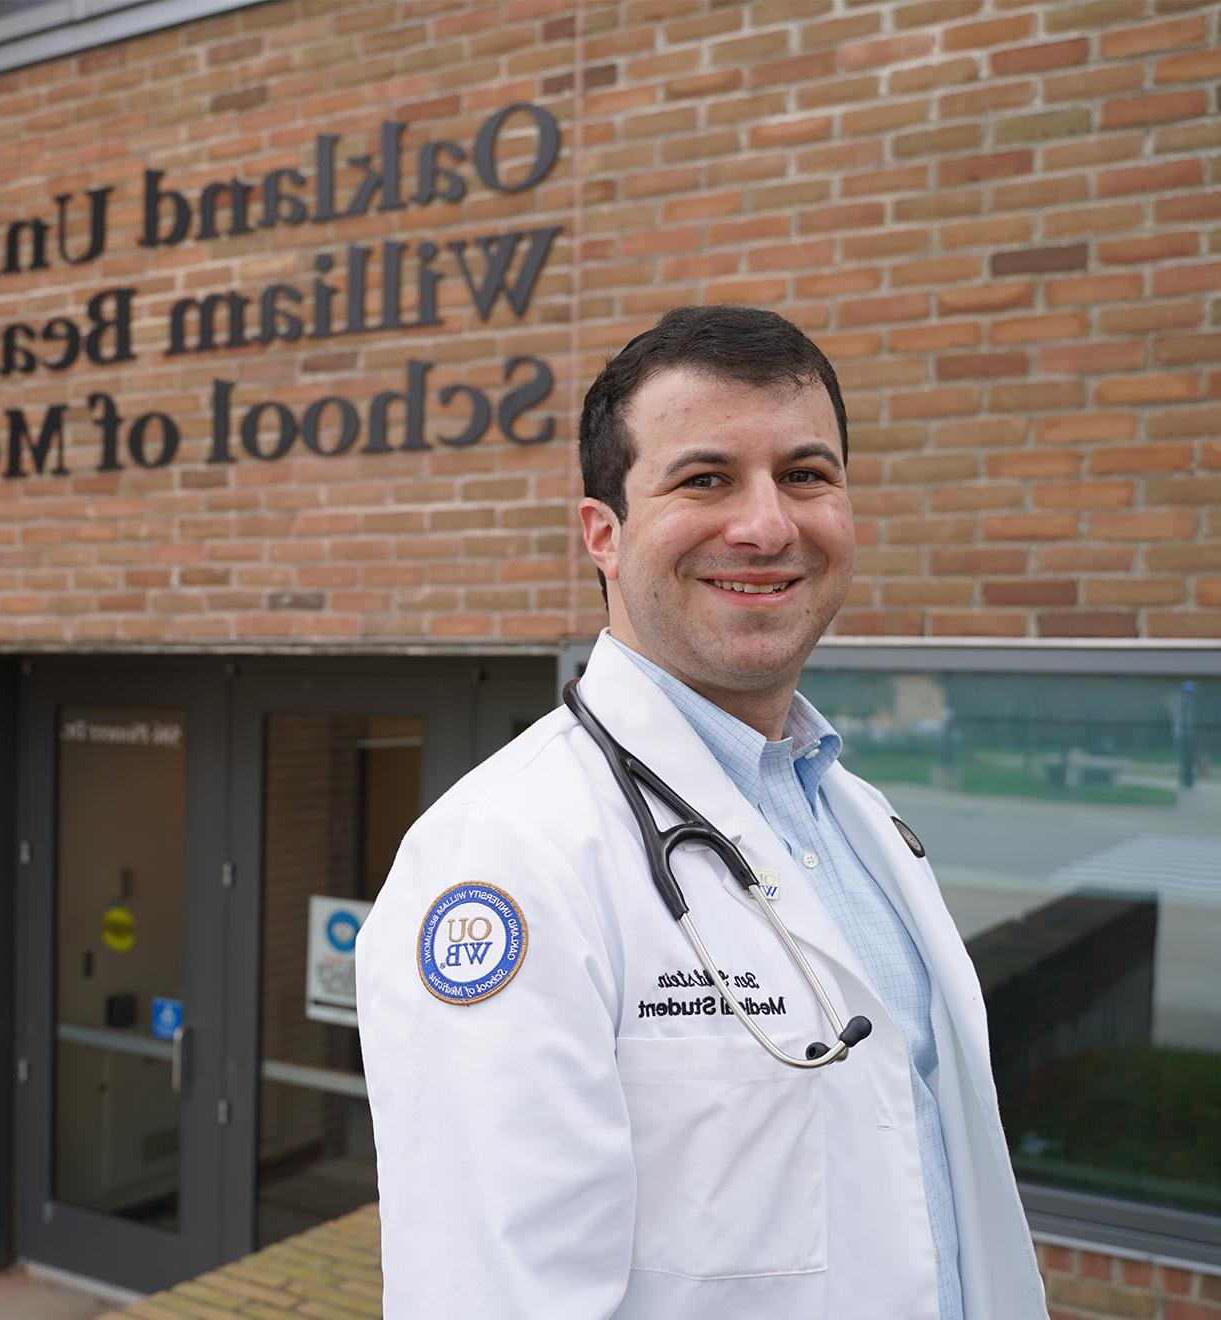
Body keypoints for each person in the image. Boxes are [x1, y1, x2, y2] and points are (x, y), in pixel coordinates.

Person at [355, 306, 1047, 1318]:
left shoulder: (854, 821)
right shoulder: (507, 857)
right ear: (604, 534)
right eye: (704, 478)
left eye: (806, 475)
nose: (767, 525)